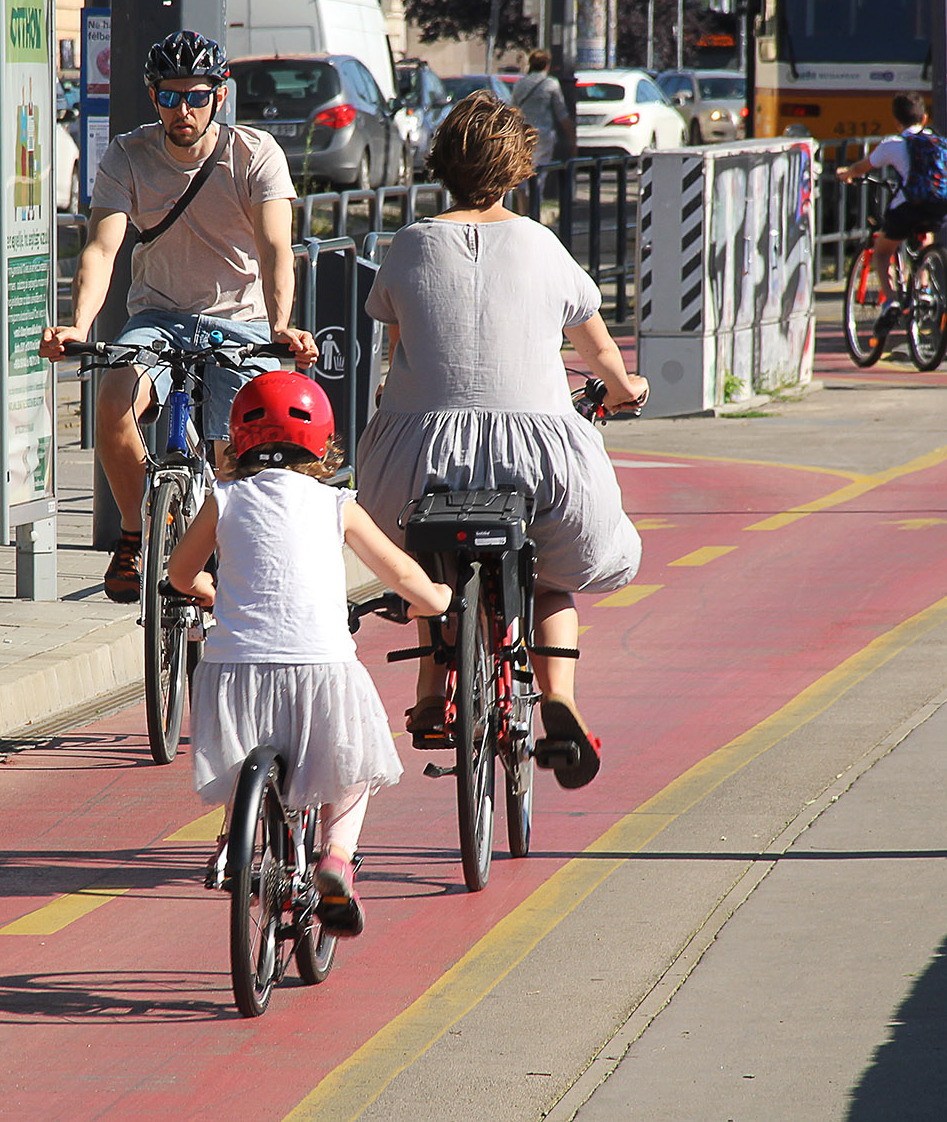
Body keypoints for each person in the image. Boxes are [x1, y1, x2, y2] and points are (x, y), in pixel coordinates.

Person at [354, 90, 648, 791]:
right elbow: (601, 355)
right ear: (517, 170)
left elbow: (404, 350)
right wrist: (626, 388)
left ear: (441, 167)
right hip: (541, 461)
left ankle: (432, 689)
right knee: (550, 577)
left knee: (431, 563)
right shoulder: (543, 247)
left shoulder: (409, 245)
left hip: (417, 457)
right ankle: (561, 702)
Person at [167, 371, 451, 937]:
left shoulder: (222, 499)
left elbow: (179, 574)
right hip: (322, 667)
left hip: (233, 672)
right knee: (349, 761)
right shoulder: (336, 504)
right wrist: (435, 599)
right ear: (321, 443)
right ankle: (336, 859)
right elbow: (396, 569)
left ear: (236, 441)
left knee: (249, 751)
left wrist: (215, 595)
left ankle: (234, 842)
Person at [38, 30, 317, 602]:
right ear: (153, 97)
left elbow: (274, 250)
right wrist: (80, 327)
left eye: (195, 96)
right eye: (169, 97)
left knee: (231, 454)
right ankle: (138, 533)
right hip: (157, 318)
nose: (182, 110)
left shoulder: (254, 153)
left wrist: (281, 324)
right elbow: (101, 248)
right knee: (113, 400)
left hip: (238, 323)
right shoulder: (128, 154)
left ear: (220, 95)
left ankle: (230, 559)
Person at [833, 92, 947, 298]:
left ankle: (892, 302)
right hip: (945, 203)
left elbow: (862, 167)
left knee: (882, 251)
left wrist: (847, 173)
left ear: (896, 121)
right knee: (925, 233)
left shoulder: (893, 144)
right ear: (924, 118)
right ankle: (924, 288)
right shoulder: (938, 142)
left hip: (911, 204)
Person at [508, 49, 574, 212]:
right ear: (547, 64)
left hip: (522, 135)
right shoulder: (550, 84)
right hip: (543, 135)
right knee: (539, 174)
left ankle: (524, 211)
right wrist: (572, 138)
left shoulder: (520, 84)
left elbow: (513, 110)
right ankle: (535, 211)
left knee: (521, 174)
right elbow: (562, 113)